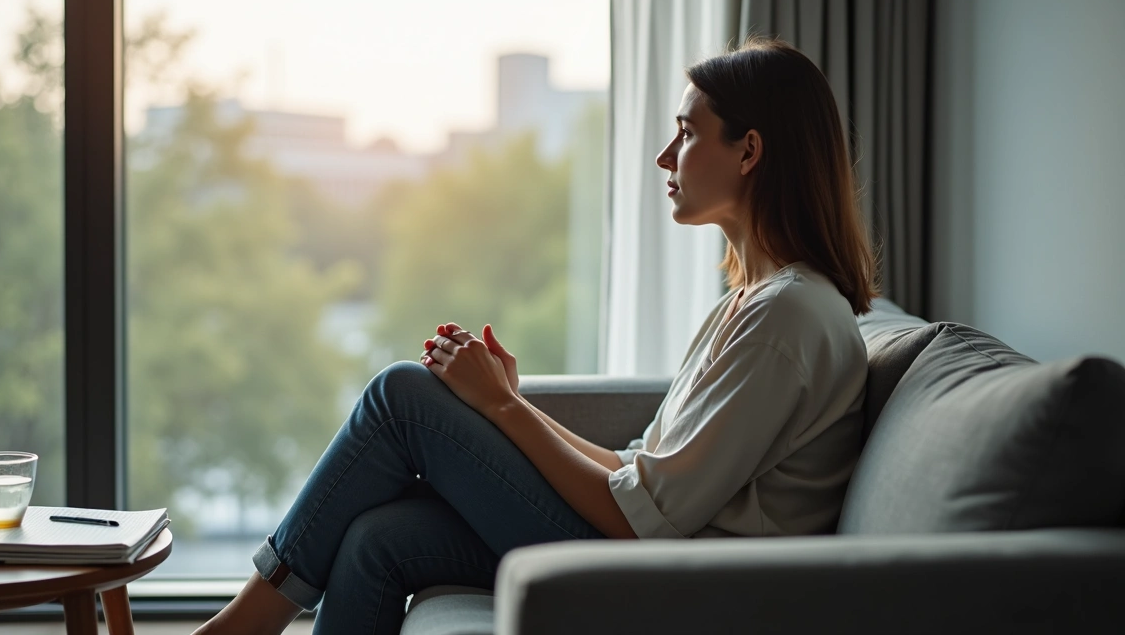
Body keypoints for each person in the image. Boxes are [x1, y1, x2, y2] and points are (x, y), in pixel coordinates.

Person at [193, 36, 877, 635]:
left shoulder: (788, 317)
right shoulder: (752, 302)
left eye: (688, 133)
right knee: (378, 538)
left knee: (400, 395)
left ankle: (241, 626)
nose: (667, 156)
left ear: (749, 150)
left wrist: (505, 411)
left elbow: (644, 517)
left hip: (669, 578)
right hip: (653, 547)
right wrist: (512, 407)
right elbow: (637, 468)